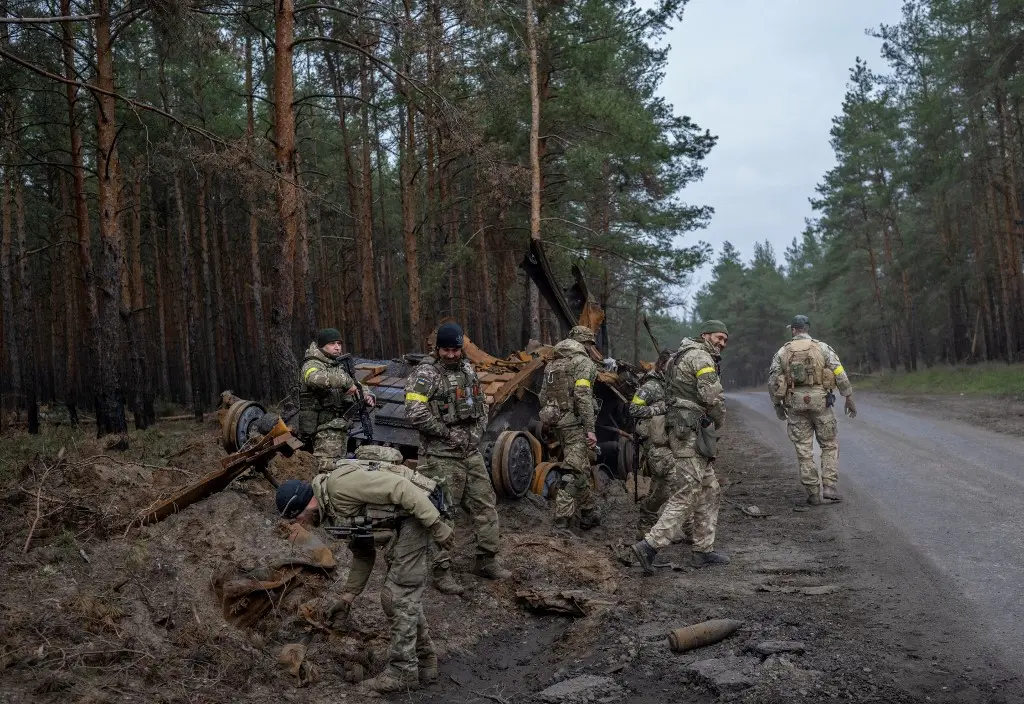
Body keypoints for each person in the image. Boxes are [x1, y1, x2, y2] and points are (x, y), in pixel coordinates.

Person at [275, 444, 454, 693]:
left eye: (297, 519)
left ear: (303, 507)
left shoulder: (339, 487)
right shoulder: (331, 512)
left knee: (397, 596)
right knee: (403, 598)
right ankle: (425, 662)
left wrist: (436, 524)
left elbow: (401, 488)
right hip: (407, 520)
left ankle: (403, 672)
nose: (301, 525)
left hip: (419, 513)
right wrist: (347, 597)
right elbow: (363, 551)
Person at [404, 322, 509, 595]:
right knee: (443, 513)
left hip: (470, 453)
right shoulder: (426, 374)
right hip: (440, 456)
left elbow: (482, 405)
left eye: (456, 349)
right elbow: (415, 412)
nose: (451, 354)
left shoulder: (467, 369)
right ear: (438, 349)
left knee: (485, 505)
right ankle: (442, 571)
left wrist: (477, 432)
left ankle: (486, 560)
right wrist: (446, 434)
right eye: (446, 349)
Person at [629, 320, 730, 573]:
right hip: (690, 432)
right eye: (719, 337)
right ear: (704, 335)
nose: (722, 343)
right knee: (688, 491)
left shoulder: (679, 357)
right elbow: (711, 398)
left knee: (710, 489)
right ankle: (649, 546)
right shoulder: (701, 358)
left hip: (685, 429)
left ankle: (703, 550)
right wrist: (719, 419)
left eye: (725, 340)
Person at [768, 314, 856, 505]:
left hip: (795, 404)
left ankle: (813, 493)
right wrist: (848, 396)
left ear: (793, 330)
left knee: (803, 449)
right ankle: (830, 486)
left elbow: (773, 381)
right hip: (821, 403)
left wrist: (777, 406)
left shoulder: (783, 352)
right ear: (807, 329)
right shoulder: (822, 347)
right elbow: (839, 371)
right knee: (829, 444)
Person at [538, 325, 600, 530]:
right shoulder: (584, 363)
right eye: (590, 344)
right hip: (575, 425)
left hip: (556, 422)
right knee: (572, 471)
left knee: (579, 466)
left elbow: (542, 396)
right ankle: (561, 519)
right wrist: (590, 429)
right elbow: (583, 396)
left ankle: (589, 511)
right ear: (586, 343)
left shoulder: (553, 363)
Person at [296, 328, 375, 473]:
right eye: (332, 343)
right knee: (327, 473)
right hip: (323, 429)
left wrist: (367, 394)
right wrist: (345, 381)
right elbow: (314, 378)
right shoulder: (312, 364)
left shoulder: (336, 364)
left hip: (340, 427)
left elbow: (355, 384)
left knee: (339, 472)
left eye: (339, 343)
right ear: (322, 345)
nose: (337, 347)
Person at [629, 351, 690, 538]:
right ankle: (652, 520)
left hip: (672, 440)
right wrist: (660, 408)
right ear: (663, 365)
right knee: (675, 480)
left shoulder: (673, 385)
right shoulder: (651, 386)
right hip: (654, 443)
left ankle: (684, 526)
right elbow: (634, 408)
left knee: (667, 485)